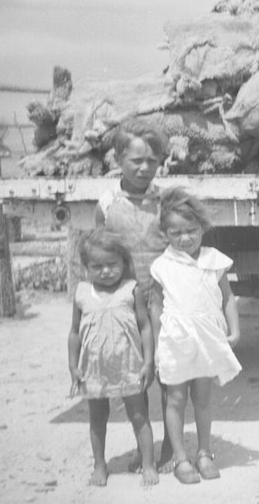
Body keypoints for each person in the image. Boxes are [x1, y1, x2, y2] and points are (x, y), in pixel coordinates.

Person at [94, 118, 175, 473]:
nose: (145, 168)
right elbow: (100, 256)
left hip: (165, 302)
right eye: (135, 161)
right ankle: (146, 451)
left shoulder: (166, 201)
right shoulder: (107, 204)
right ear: (118, 160)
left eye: (152, 161)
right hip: (127, 307)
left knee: (171, 374)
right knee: (135, 379)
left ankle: (172, 447)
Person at [150, 186, 242, 484]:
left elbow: (227, 297)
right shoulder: (162, 266)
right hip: (175, 342)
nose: (184, 238)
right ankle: (180, 458)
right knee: (175, 399)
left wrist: (235, 329)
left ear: (202, 227)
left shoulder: (214, 260)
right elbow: (155, 308)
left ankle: (204, 452)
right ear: (165, 233)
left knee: (203, 397)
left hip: (205, 340)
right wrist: (154, 346)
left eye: (190, 230)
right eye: (176, 233)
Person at [68, 227, 159, 487]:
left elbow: (144, 327)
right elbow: (74, 333)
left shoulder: (132, 290)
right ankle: (100, 465)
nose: (106, 271)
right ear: (86, 267)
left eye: (112, 264)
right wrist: (73, 366)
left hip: (129, 366)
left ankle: (148, 463)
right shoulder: (82, 293)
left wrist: (148, 362)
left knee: (139, 415)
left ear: (123, 263)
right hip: (94, 370)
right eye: (97, 266)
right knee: (97, 417)